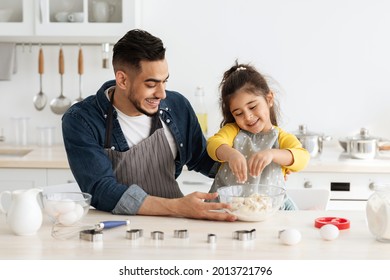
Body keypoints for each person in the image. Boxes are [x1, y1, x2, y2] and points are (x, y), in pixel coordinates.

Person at [62, 29, 236, 221]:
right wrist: (178, 206)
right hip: (116, 230)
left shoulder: (177, 106)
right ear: (122, 80)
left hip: (173, 227)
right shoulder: (81, 120)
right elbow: (101, 189)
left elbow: (201, 157)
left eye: (164, 82)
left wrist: (243, 156)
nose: (162, 94)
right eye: (151, 84)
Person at [207, 62, 310, 209]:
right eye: (238, 113)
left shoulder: (280, 137)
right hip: (228, 209)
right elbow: (213, 144)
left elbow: (302, 158)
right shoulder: (233, 131)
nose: (248, 117)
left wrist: (273, 154)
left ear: (269, 99)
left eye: (253, 106)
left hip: (267, 209)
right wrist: (230, 154)